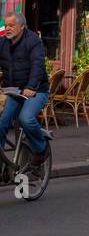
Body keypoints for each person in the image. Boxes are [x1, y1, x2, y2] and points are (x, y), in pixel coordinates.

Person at [0, 13, 49, 169]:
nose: (7, 28)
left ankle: (41, 149)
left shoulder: (33, 42)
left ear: (22, 26)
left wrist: (31, 86)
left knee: (25, 119)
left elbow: (38, 65)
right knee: (1, 122)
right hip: (14, 91)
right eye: (6, 25)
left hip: (36, 91)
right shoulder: (3, 43)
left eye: (11, 25)